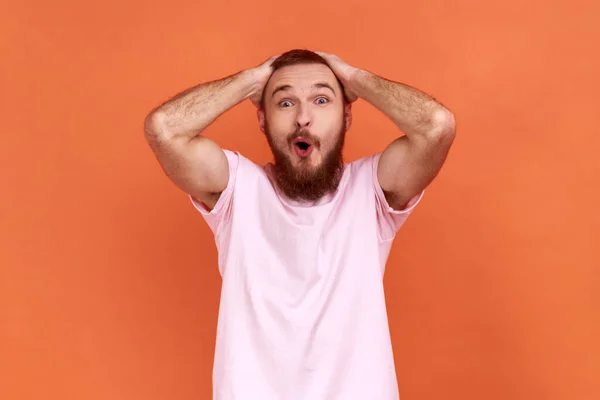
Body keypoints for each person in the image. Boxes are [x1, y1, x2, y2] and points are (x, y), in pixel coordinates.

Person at [144, 49, 455, 400]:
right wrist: (251, 80)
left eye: (322, 100)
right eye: (285, 103)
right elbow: (164, 128)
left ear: (346, 116)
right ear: (262, 119)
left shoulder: (371, 190)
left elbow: (436, 126)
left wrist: (354, 79)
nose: (304, 118)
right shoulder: (238, 190)